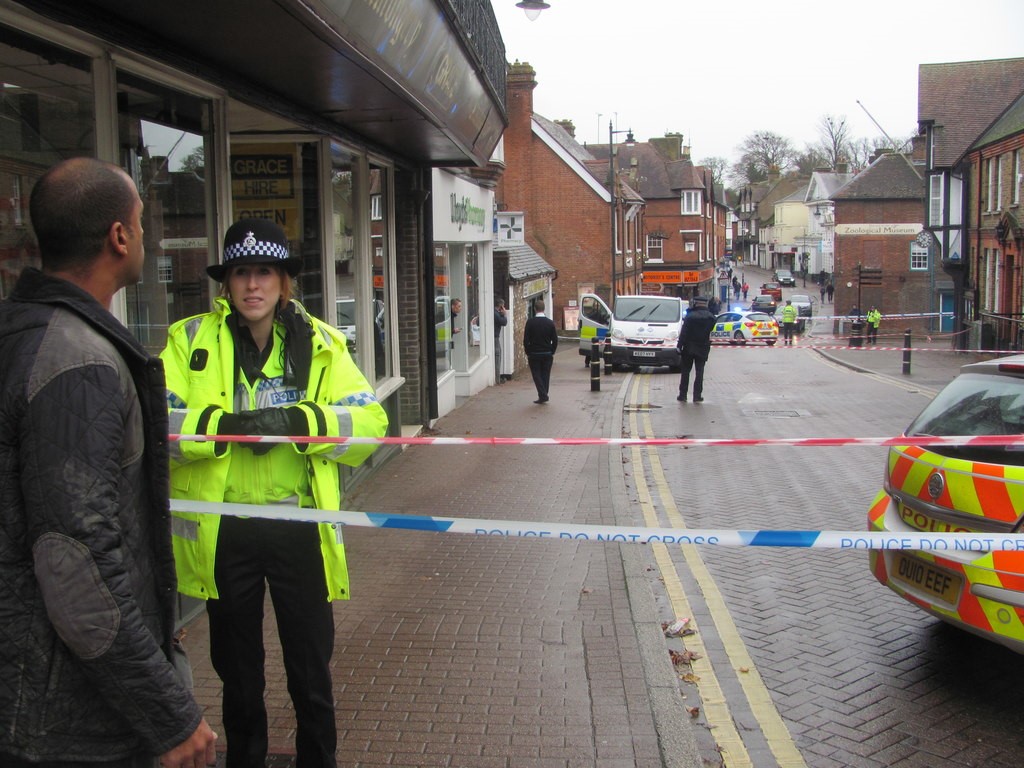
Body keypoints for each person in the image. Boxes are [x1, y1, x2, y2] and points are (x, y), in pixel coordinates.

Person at [0, 157, 218, 767]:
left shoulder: (21, 331)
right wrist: (164, 711)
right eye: (141, 221)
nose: (144, 234)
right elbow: (77, 560)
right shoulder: (80, 362)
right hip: (70, 720)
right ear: (119, 238)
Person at [161, 219, 389, 768]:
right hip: (225, 530)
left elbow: (371, 423)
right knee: (238, 675)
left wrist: (297, 418)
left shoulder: (325, 344)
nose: (252, 285)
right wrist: (220, 428)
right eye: (241, 272)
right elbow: (156, 420)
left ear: (285, 280)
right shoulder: (188, 340)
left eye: (265, 271)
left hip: (298, 528)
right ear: (226, 282)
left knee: (310, 670)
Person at [675, 296, 716, 403]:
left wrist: (679, 346)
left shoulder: (690, 316)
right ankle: (697, 396)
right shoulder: (711, 317)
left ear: (695, 304)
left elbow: (684, 333)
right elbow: (710, 330)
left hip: (689, 347)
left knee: (685, 372)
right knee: (700, 372)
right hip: (703, 347)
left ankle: (682, 395)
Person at [523, 297, 558, 403]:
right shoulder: (550, 323)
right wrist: (552, 351)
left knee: (536, 375)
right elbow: (555, 340)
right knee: (545, 375)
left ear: (534, 309)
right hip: (547, 353)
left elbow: (526, 340)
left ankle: (543, 395)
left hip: (534, 353)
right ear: (544, 309)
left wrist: (528, 352)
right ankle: (543, 395)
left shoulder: (530, 322)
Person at [494, 297, 508, 382]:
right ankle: (497, 379)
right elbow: (504, 322)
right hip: (495, 337)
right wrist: (505, 314)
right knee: (497, 356)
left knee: (498, 355)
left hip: (495, 337)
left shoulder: (496, 313)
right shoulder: (496, 314)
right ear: (501, 306)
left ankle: (498, 377)